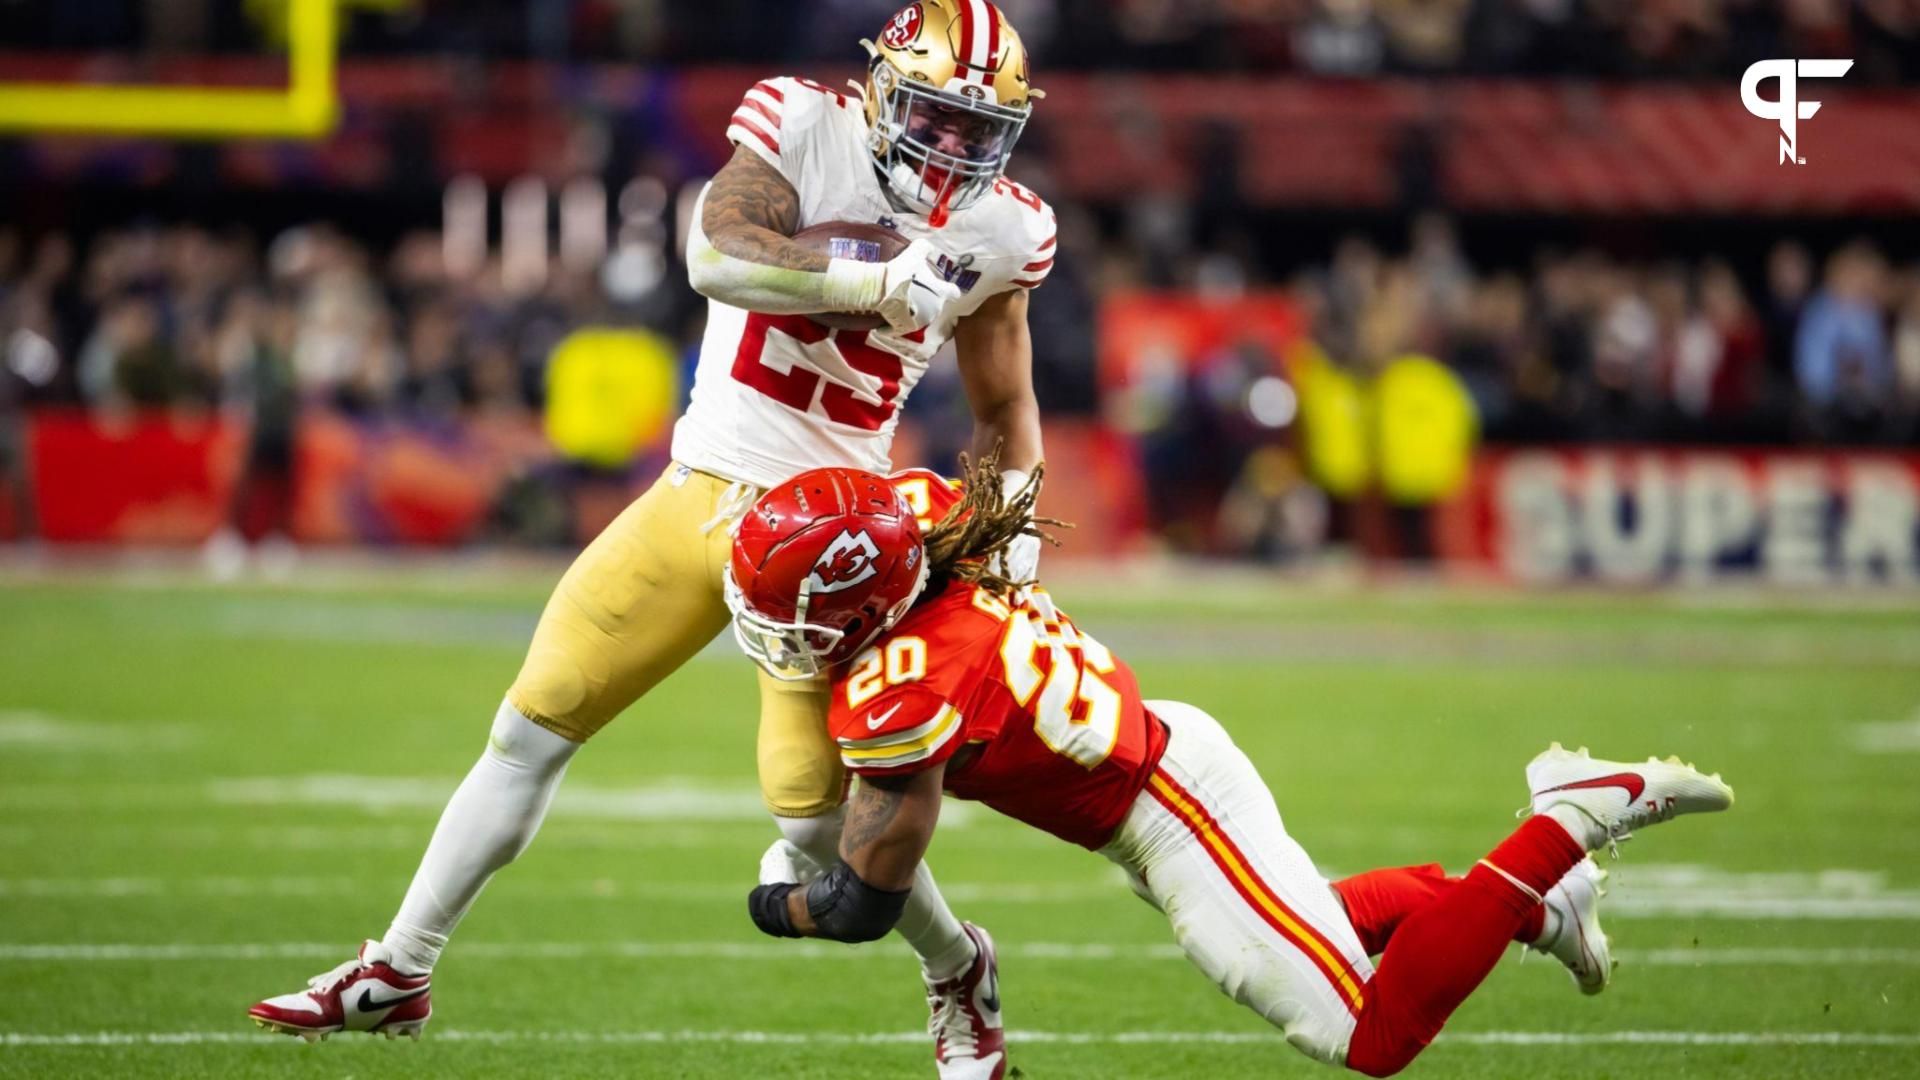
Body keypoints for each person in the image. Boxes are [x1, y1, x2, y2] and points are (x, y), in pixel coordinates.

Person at [248, 6, 1057, 1074]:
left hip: (825, 539)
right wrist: (869, 279)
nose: (951, 151)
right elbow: (716, 253)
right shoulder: (800, 125)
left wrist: (1016, 537)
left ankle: (956, 968)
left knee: (818, 830)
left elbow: (1004, 407)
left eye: (974, 129)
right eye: (934, 118)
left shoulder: (1004, 230)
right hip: (699, 492)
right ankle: (401, 965)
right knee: (530, 727)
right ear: (879, 89)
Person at [730, 459, 1735, 1079]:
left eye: (794, 616)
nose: (780, 638)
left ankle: (1569, 821)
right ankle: (1531, 905)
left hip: (1167, 811)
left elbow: (865, 904)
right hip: (1158, 759)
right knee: (1319, 922)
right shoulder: (918, 514)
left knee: (1365, 1034)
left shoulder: (904, 680)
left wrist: (770, 902)